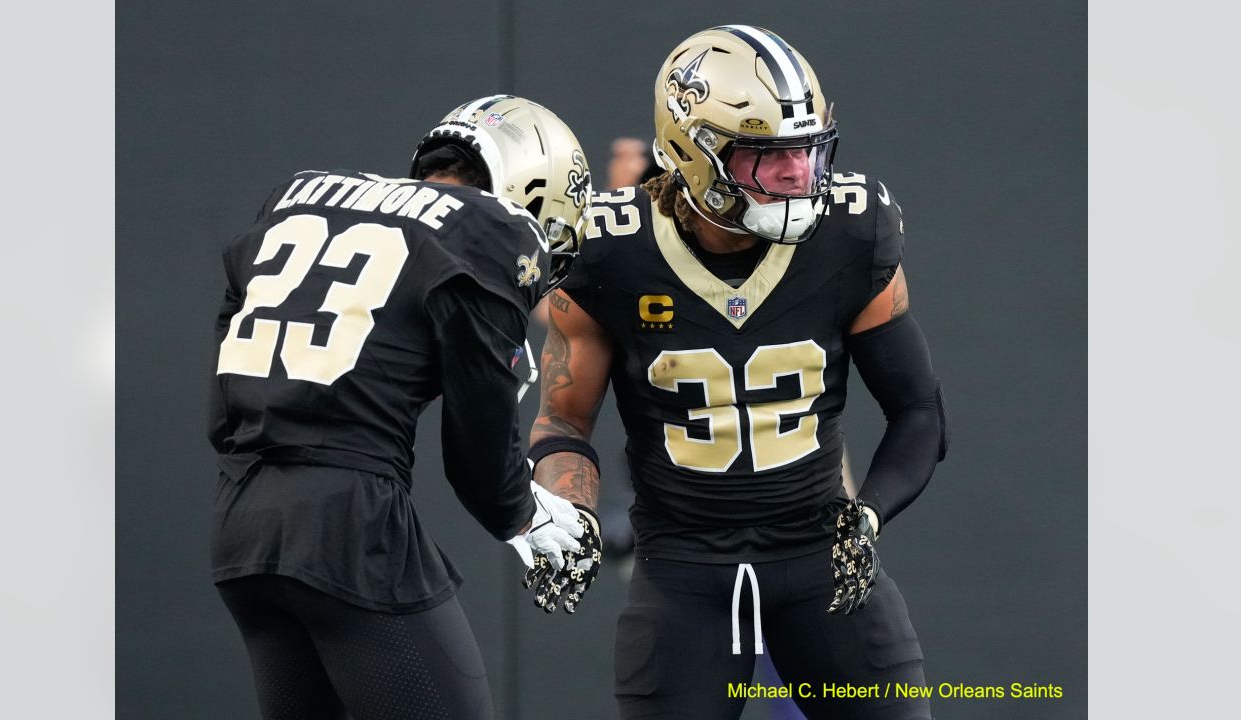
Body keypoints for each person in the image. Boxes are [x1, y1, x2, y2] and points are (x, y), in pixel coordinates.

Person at [524, 26, 949, 720]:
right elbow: (564, 420)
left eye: (807, 152)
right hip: (684, 575)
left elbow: (919, 411)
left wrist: (866, 515)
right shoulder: (608, 252)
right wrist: (564, 515)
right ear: (693, 154)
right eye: (766, 154)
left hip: (823, 566)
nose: (797, 175)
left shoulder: (852, 230)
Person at [207, 95, 594, 720]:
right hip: (350, 527)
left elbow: (224, 403)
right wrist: (525, 516)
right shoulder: (490, 228)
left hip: (241, 523)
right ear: (532, 189)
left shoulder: (298, 195)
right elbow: (476, 457)